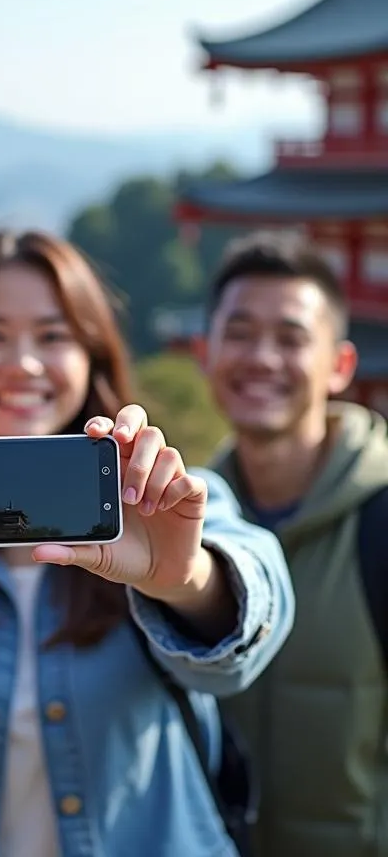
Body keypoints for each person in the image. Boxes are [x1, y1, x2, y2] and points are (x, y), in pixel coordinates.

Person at [0, 229, 296, 857]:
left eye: (54, 335)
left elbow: (251, 633)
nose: (24, 363)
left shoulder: (165, 503)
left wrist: (185, 581)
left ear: (94, 356)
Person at [200, 230, 388, 857]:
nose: (262, 358)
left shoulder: (381, 515)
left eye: (291, 338)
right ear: (207, 352)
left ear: (339, 366)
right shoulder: (185, 526)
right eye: (240, 333)